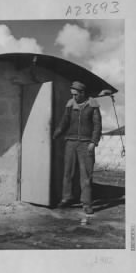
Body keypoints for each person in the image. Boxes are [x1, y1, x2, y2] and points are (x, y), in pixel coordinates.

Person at [53, 81, 102, 215]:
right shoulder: (70, 104)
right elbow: (64, 122)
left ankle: (86, 204)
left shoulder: (92, 105)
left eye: (76, 94)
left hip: (86, 143)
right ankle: (66, 198)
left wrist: (94, 142)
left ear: (82, 93)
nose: (73, 97)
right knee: (67, 173)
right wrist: (56, 134)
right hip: (70, 142)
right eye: (72, 94)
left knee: (85, 175)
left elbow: (97, 125)